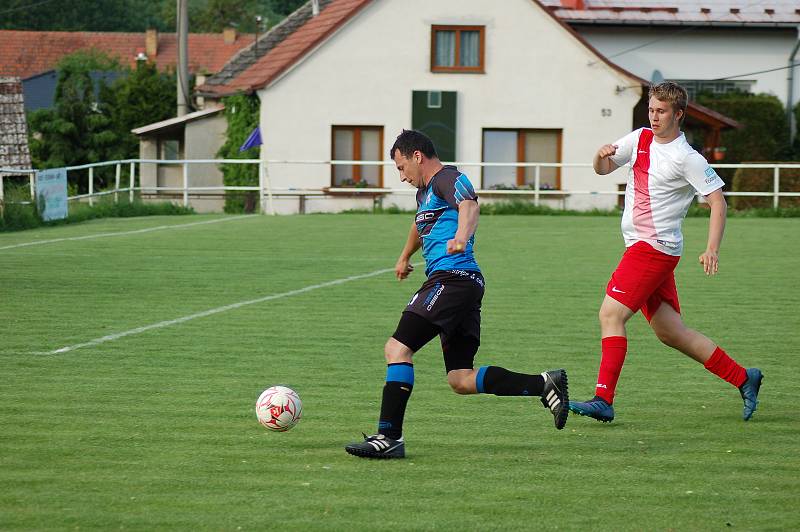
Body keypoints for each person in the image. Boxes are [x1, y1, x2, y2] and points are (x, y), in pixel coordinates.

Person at [345, 129, 569, 459]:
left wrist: (462, 235)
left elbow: (469, 205)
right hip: (462, 284)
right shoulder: (424, 194)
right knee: (461, 379)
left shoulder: (448, 179)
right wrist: (405, 256)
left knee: (397, 348)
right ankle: (544, 384)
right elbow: (419, 224)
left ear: (417, 156)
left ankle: (389, 436)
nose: (402, 176)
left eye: (400, 167)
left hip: (452, 279)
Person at [569, 81, 763, 423]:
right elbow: (604, 169)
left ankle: (603, 398)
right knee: (670, 332)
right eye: (651, 110)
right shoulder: (640, 138)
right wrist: (598, 158)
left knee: (610, 315)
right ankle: (743, 377)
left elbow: (718, 201)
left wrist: (711, 249)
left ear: (679, 115)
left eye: (661, 111)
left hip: (653, 250)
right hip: (643, 247)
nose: (654, 117)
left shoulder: (687, 158)